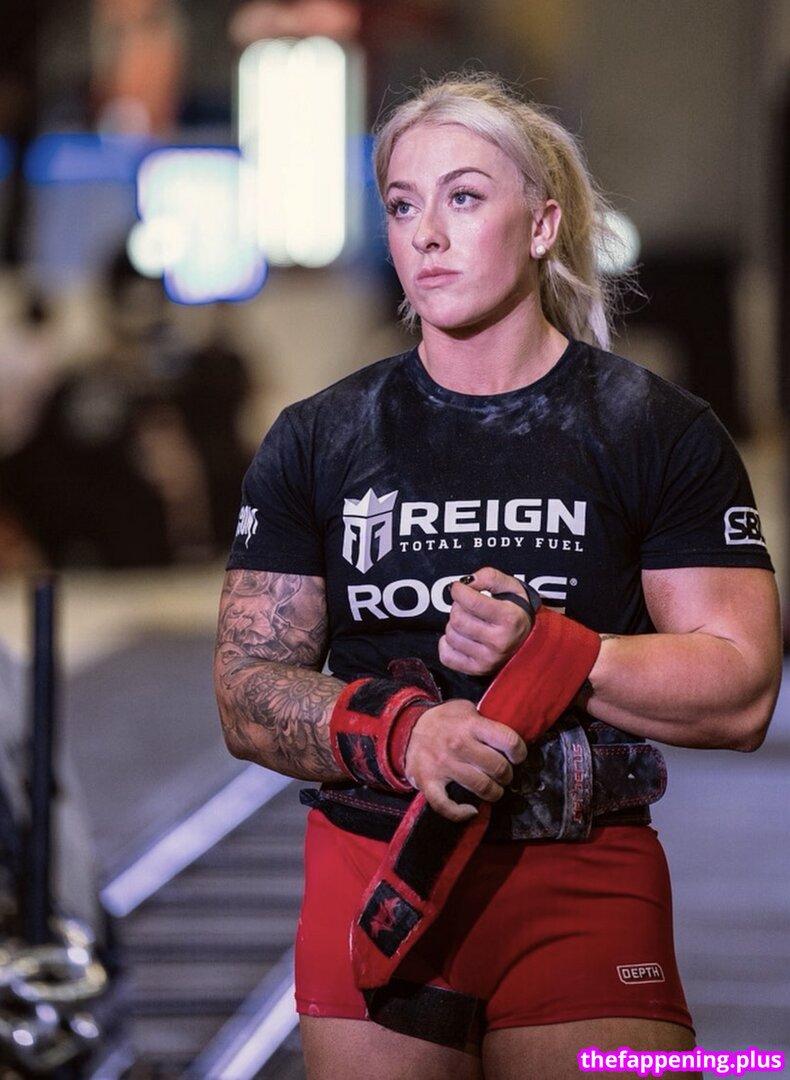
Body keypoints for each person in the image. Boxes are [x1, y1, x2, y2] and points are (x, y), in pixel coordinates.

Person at [214, 73, 781, 1080]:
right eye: (403, 205)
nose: (428, 233)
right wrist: (404, 733)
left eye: (464, 197)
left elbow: (740, 690)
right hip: (380, 872)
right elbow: (246, 692)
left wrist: (549, 650)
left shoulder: (652, 430)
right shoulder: (320, 438)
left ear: (541, 225)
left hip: (584, 884)